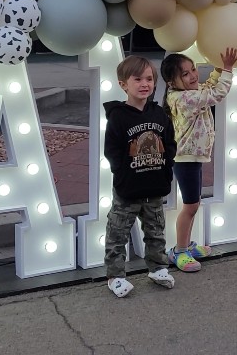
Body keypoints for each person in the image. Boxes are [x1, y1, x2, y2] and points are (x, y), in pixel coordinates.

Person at [161, 47, 237, 272]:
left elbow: (207, 86)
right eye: (185, 74)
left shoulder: (191, 92)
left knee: (193, 205)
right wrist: (227, 70)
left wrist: (216, 70)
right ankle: (179, 251)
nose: (193, 75)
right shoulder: (184, 98)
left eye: (193, 69)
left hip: (193, 157)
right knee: (191, 205)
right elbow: (215, 94)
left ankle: (185, 245)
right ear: (171, 82)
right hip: (185, 159)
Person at [103, 55, 177, 297]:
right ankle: (115, 276)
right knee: (118, 233)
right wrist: (122, 173)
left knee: (156, 230)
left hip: (154, 186)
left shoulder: (159, 114)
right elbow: (112, 150)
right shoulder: (118, 116)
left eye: (149, 79)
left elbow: (169, 143)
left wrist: (166, 170)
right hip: (128, 189)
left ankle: (158, 268)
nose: (145, 84)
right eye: (138, 79)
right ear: (123, 84)